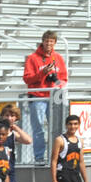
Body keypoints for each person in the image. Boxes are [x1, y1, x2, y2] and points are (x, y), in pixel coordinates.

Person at [23, 31, 68, 165]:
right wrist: (42, 73)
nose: (49, 43)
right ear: (42, 41)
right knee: (39, 130)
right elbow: (27, 79)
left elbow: (64, 78)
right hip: (38, 97)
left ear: (55, 43)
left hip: (54, 98)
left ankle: (57, 156)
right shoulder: (33, 58)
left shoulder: (58, 58)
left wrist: (58, 84)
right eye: (47, 41)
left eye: (51, 41)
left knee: (57, 128)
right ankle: (39, 158)